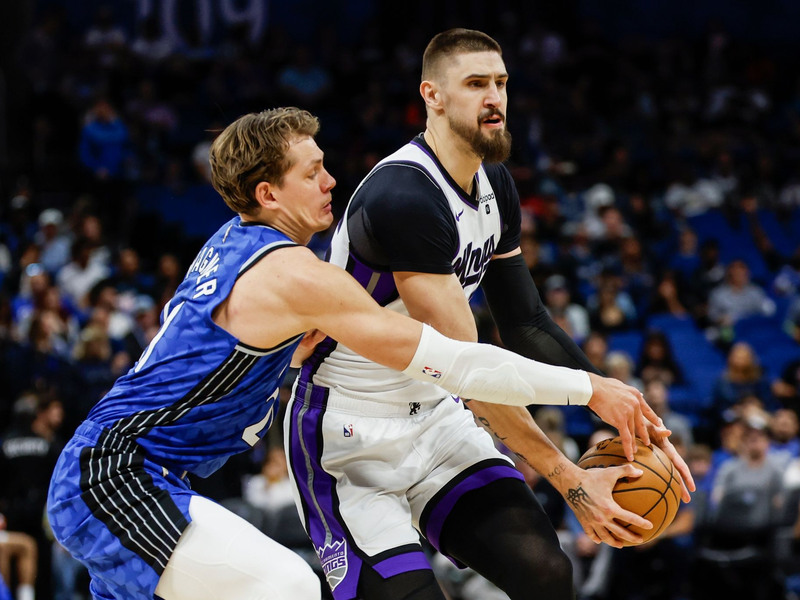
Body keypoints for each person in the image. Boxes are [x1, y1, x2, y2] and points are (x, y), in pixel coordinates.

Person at [47, 107, 659, 600]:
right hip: (117, 477)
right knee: (286, 589)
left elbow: (197, 351)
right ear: (268, 192)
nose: (330, 180)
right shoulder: (297, 276)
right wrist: (589, 387)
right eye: (311, 172)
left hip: (146, 473)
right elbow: (451, 362)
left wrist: (279, 353)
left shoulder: (237, 247)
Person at [287, 30, 693, 600]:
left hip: (436, 421)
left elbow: (525, 322)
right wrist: (570, 478)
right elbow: (465, 368)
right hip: (351, 434)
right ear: (433, 96)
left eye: (501, 83)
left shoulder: (494, 184)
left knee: (546, 575)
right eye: (476, 84)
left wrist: (629, 417)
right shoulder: (403, 196)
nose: (494, 98)